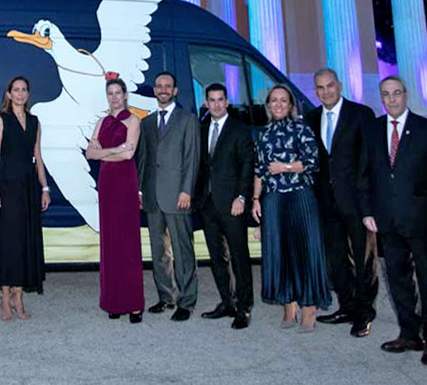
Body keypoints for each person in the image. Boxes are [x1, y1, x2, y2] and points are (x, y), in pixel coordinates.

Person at [358, 75, 427, 367]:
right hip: (386, 220)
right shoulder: (372, 130)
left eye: (396, 93)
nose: (392, 99)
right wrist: (367, 211)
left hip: (422, 220)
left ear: (406, 95)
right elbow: (364, 174)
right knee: (398, 279)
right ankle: (409, 333)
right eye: (386, 94)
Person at [303, 67, 378, 338]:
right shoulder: (311, 118)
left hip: (356, 201)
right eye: (320, 88)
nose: (326, 92)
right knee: (336, 258)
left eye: (330, 86)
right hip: (326, 201)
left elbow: (370, 160)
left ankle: (364, 312)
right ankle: (346, 306)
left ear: (340, 85)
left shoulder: (361, 114)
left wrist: (369, 202)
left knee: (363, 258)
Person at [252, 85, 331, 332]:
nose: (278, 104)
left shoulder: (301, 128)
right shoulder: (264, 133)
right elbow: (259, 169)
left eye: (283, 100)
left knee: (304, 251)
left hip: (300, 196)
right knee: (279, 251)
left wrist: (284, 167)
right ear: (268, 105)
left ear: (290, 105)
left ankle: (309, 307)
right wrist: (256, 198)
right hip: (273, 199)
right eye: (274, 100)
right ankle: (289, 304)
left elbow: (313, 162)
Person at [134, 70, 199, 321]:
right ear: (154, 90)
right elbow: (143, 160)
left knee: (183, 250)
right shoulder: (147, 123)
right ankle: (166, 297)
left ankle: (186, 301)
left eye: (167, 86)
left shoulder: (187, 120)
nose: (163, 89)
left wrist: (187, 190)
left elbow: (192, 158)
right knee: (159, 250)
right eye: (159, 86)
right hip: (152, 196)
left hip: (178, 195)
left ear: (175, 91)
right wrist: (141, 190)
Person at [0, 76, 49, 320]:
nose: (20, 93)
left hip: (28, 187)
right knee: (8, 241)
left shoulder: (34, 122)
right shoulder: (1, 120)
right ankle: (5, 296)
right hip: (6, 186)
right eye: (16, 90)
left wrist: (45, 188)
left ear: (28, 94)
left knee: (25, 240)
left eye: (24, 89)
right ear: (9, 94)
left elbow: (38, 157)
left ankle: (19, 295)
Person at [196, 82, 256, 329]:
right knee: (217, 257)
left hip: (233, 204)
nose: (216, 104)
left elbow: (247, 165)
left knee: (239, 256)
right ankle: (227, 302)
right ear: (206, 103)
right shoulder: (202, 128)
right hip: (207, 203)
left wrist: (241, 197)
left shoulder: (239, 129)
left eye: (220, 99)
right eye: (212, 100)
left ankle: (244, 307)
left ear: (227, 102)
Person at [85, 77, 144, 322]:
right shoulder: (102, 121)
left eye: (118, 93)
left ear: (125, 95)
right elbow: (90, 153)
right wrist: (114, 150)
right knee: (110, 241)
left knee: (128, 241)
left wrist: (104, 153)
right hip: (107, 183)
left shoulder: (134, 121)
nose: (114, 97)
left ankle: (134, 304)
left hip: (125, 182)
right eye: (110, 93)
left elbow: (129, 154)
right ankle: (114, 302)